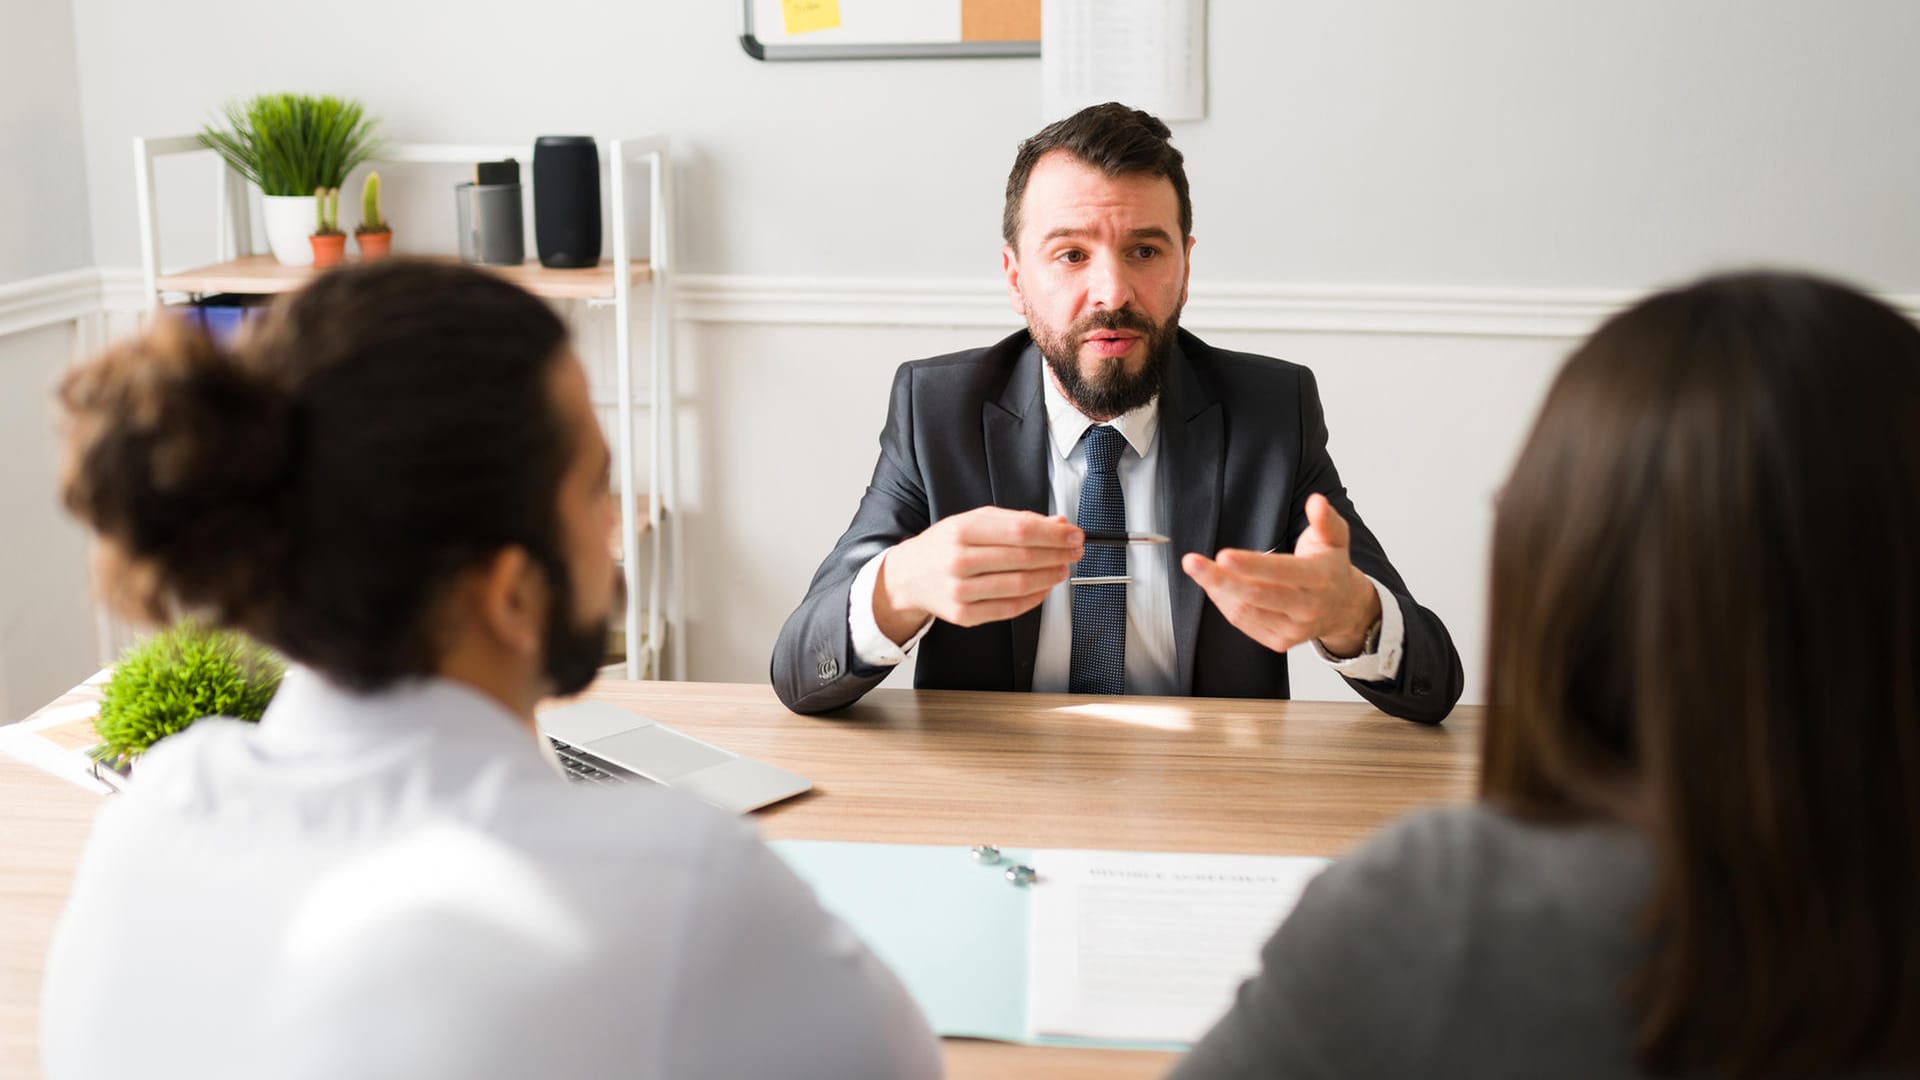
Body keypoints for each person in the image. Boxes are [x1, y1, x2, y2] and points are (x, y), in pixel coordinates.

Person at [40, 261, 939, 1080]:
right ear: (510, 595)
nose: (612, 530)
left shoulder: (151, 818)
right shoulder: (679, 888)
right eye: (596, 492)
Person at [1168, 271, 1920, 1078]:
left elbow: (1430, 674)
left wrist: (1356, 615)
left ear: (1561, 557)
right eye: (1070, 252)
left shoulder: (1440, 912)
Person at [771, 103, 1461, 723]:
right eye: (1071, 254)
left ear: (1184, 267)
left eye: (1144, 251)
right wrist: (903, 583)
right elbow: (800, 672)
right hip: (998, 794)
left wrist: (1352, 615)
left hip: (1210, 798)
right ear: (1016, 279)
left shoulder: (1272, 413)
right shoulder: (937, 411)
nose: (1112, 290)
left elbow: (1435, 687)